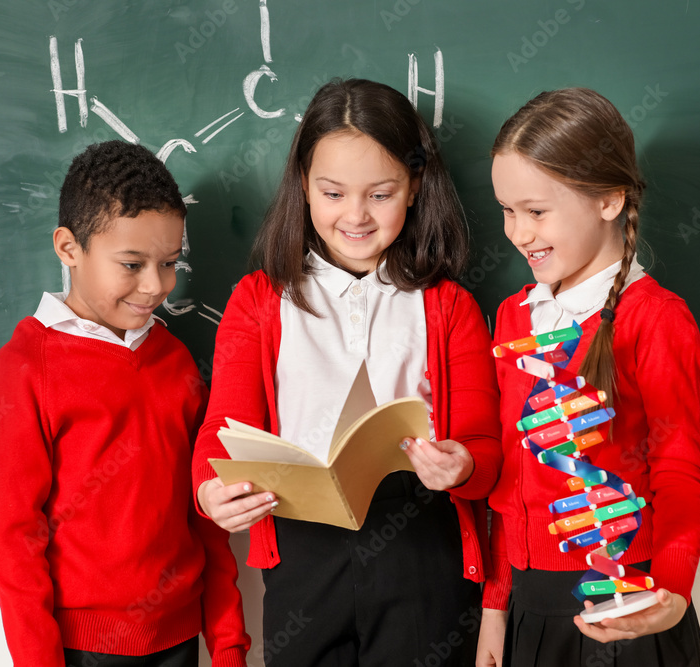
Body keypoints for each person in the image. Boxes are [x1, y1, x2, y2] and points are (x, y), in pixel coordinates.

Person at [191, 78, 503, 666]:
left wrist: (461, 466)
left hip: (422, 552)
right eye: (332, 192)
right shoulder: (259, 301)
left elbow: (486, 453)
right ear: (303, 186)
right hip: (303, 553)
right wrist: (211, 492)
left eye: (380, 194)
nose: (355, 216)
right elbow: (219, 434)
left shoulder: (449, 307)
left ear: (414, 188)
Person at [0, 141, 250, 667]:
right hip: (82, 649)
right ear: (69, 247)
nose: (155, 286)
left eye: (168, 264)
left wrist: (229, 645)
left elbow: (206, 519)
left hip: (180, 638)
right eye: (131, 263)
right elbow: (12, 542)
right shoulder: (25, 370)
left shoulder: (175, 362)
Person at [477, 88, 700, 666]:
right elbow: (512, 476)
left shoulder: (655, 318)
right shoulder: (514, 318)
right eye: (507, 210)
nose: (518, 232)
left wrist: (674, 591)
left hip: (622, 602)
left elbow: (679, 466)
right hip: (530, 607)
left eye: (536, 211)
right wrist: (495, 608)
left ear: (609, 199)